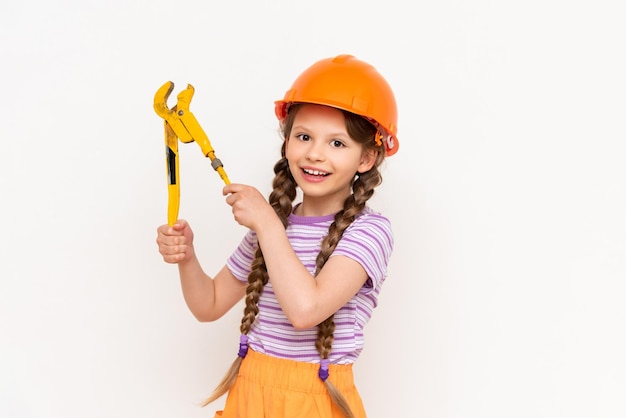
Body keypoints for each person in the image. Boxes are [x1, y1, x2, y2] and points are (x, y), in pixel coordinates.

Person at [156, 54, 399, 418]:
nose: (315, 154)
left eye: (337, 143)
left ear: (366, 158)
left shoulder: (369, 231)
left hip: (314, 400)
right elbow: (208, 304)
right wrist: (187, 258)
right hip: (250, 393)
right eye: (303, 136)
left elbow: (306, 311)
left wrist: (267, 224)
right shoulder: (272, 228)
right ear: (287, 143)